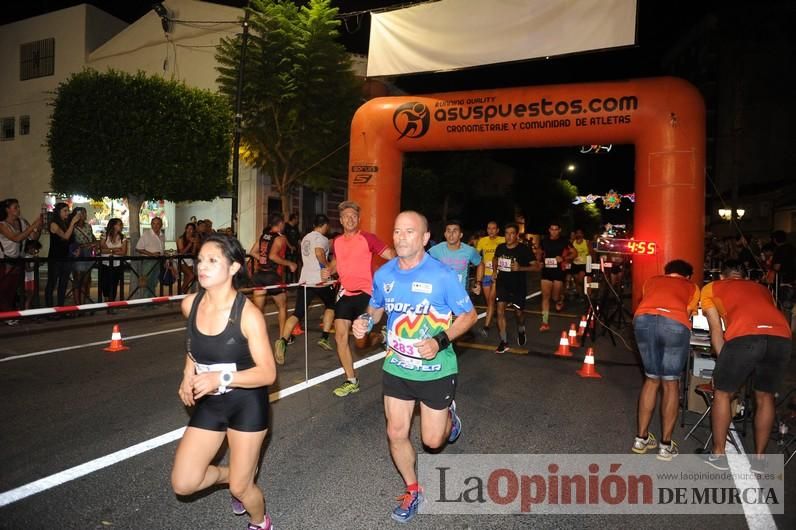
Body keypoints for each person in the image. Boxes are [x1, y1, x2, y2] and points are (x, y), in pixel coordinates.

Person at [352, 211, 477, 523]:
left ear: (424, 239)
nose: (400, 237)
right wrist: (365, 321)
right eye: (396, 231)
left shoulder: (442, 275)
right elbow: (376, 307)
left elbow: (469, 316)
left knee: (432, 441)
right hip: (397, 365)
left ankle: (449, 415)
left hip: (436, 368)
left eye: (410, 232)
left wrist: (440, 340)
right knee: (396, 431)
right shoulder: (384, 274)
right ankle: (412, 489)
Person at [171, 233, 277, 530]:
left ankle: (260, 521)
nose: (202, 267)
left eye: (212, 260)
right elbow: (194, 347)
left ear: (233, 268)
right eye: (200, 260)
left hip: (246, 404)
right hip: (212, 402)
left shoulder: (249, 315)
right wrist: (186, 375)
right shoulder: (190, 304)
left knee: (241, 490)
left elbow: (268, 373)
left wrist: (221, 377)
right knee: (184, 482)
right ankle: (236, 472)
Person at [700, 260, 792, 472]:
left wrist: (724, 364)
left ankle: (718, 454)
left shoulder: (712, 287)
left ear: (722, 276)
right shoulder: (761, 288)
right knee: (765, 396)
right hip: (781, 337)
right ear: (744, 276)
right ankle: (760, 460)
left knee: (723, 393)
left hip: (746, 336)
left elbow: (716, 329)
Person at [320, 200, 395, 397]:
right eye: (346, 216)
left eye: (353, 216)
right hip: (345, 293)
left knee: (361, 342)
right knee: (340, 337)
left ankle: (381, 337)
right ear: (341, 220)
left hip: (366, 294)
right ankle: (351, 379)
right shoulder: (336, 241)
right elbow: (336, 263)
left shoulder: (368, 238)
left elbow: (391, 255)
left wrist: (398, 273)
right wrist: (329, 270)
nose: (350, 219)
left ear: (358, 219)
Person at [631, 259, 700, 461]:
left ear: (666, 272)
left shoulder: (651, 281)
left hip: (643, 320)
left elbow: (647, 301)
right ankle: (665, 445)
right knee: (670, 382)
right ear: (688, 276)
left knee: (651, 379)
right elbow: (689, 311)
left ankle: (640, 439)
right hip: (674, 323)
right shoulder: (692, 286)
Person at [274, 214, 337, 362]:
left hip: (305, 279)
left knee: (298, 313)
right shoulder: (322, 239)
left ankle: (282, 340)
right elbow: (319, 253)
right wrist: (326, 267)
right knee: (332, 305)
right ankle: (324, 337)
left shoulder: (305, 238)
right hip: (320, 280)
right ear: (325, 225)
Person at [249, 213, 297, 349]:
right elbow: (273, 256)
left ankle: (257, 338)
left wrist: (262, 260)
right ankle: (283, 338)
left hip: (259, 276)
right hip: (272, 276)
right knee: (282, 306)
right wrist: (289, 264)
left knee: (259, 310)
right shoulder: (279, 239)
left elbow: (253, 252)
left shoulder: (263, 236)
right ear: (280, 224)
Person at [492, 223, 538, 353]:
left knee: (519, 314)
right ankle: (504, 341)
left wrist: (520, 268)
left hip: (518, 286)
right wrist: (495, 270)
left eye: (512, 233)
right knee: (500, 310)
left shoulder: (524, 249)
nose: (509, 236)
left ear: (517, 235)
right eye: (507, 233)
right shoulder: (500, 247)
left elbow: (536, 266)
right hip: (502, 285)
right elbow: (495, 258)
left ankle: (521, 329)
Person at [0, 198, 42, 313]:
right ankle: (7, 315)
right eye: (15, 207)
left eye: (18, 207)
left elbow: (33, 237)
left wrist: (38, 227)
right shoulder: (2, 225)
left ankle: (11, 313)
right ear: (7, 210)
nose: (18, 210)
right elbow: (16, 238)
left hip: (18, 260)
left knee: (13, 289)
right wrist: (33, 225)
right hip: (5, 261)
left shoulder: (22, 222)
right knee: (4, 289)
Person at [536, 221, 574, 331]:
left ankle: (560, 299)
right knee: (545, 297)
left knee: (555, 297)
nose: (553, 231)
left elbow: (574, 253)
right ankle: (545, 322)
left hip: (559, 271)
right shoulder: (544, 241)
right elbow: (539, 252)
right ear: (549, 230)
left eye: (556, 229)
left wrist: (564, 258)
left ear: (559, 230)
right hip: (546, 271)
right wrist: (539, 260)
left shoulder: (564, 241)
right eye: (551, 229)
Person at [428, 219, 481, 293]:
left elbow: (480, 264)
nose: (451, 234)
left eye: (455, 231)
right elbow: (423, 262)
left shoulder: (469, 251)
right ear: (445, 234)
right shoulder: (436, 250)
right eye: (448, 231)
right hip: (440, 293)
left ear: (460, 235)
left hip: (461, 294)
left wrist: (478, 282)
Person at [45, 202, 80, 308]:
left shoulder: (66, 222)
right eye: (65, 211)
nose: (67, 213)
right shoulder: (54, 224)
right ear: (58, 212)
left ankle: (60, 307)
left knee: (63, 284)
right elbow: (65, 236)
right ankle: (49, 309)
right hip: (55, 258)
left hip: (66, 257)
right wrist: (72, 223)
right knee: (52, 283)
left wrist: (76, 248)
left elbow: (71, 239)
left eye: (68, 210)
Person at [475, 221, 505, 336]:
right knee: (489, 302)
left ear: (497, 230)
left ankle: (486, 327)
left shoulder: (503, 240)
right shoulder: (482, 241)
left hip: (497, 274)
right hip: (485, 275)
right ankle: (496, 313)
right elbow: (476, 255)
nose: (491, 230)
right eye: (489, 228)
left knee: (491, 300)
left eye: (493, 228)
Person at [69, 207, 97, 306]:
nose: (85, 215)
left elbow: (92, 237)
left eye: (85, 213)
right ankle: (77, 303)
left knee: (86, 279)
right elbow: (71, 243)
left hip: (88, 253)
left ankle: (84, 303)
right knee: (77, 279)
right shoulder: (72, 227)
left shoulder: (88, 226)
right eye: (82, 213)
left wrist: (94, 243)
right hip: (79, 253)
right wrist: (84, 245)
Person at [135, 216, 165, 298]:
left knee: (154, 282)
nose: (155, 225)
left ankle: (151, 301)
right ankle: (145, 302)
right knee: (146, 282)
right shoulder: (146, 234)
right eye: (153, 223)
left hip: (158, 261)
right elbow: (138, 248)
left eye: (158, 224)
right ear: (151, 224)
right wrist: (152, 254)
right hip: (148, 261)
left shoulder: (162, 235)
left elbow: (161, 249)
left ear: (161, 225)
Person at [99, 218, 127, 302]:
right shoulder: (105, 235)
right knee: (105, 283)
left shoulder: (122, 237)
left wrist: (110, 250)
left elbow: (123, 252)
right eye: (119, 224)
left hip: (117, 264)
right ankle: (106, 300)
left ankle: (111, 303)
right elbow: (102, 250)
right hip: (105, 263)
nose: (121, 226)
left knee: (114, 284)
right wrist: (116, 250)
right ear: (113, 225)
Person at [770, 230, 795, 320]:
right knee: (790, 307)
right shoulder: (792, 248)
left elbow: (777, 267)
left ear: (775, 240)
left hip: (782, 282)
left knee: (783, 306)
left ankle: (785, 327)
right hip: (793, 281)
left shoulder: (780, 250)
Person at [569, 228, 594, 297]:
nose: (578, 234)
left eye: (580, 233)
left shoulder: (587, 242)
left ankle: (587, 292)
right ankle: (581, 295)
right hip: (575, 264)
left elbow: (591, 252)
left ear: (583, 234)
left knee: (581, 279)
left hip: (584, 264)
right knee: (577, 281)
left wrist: (591, 261)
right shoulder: (572, 242)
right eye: (577, 233)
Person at [177, 222, 200, 294]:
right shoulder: (180, 238)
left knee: (187, 278)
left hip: (190, 260)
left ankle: (183, 294)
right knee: (191, 276)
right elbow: (182, 252)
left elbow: (193, 253)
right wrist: (190, 244)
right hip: (181, 260)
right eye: (188, 229)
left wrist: (195, 243)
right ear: (185, 229)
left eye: (192, 229)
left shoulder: (194, 238)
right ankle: (181, 291)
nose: (190, 231)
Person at [22, 239, 42, 310]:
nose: (36, 251)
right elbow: (27, 269)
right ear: (30, 247)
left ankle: (30, 312)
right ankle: (27, 312)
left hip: (31, 278)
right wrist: (35, 265)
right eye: (36, 249)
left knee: (31, 297)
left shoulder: (30, 256)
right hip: (28, 279)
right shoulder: (27, 257)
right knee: (29, 297)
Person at [283, 213, 300, 283]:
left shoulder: (296, 228)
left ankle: (295, 281)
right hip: (288, 250)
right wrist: (290, 246)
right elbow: (284, 237)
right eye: (296, 219)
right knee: (288, 267)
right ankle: (288, 282)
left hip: (295, 250)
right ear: (293, 219)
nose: (297, 220)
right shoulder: (286, 226)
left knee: (295, 265)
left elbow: (298, 238)